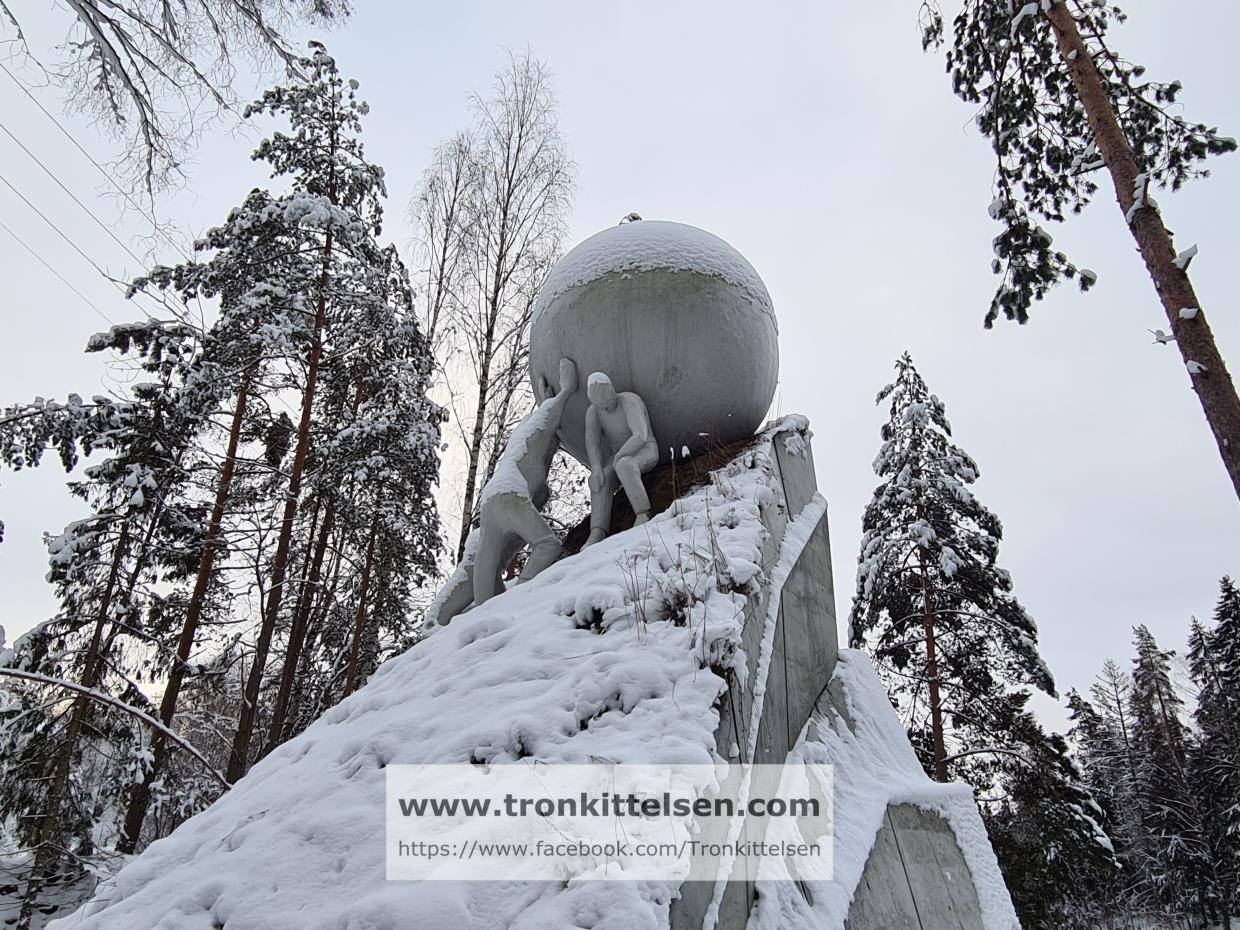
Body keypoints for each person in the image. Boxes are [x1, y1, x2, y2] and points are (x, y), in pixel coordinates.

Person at [426, 357, 578, 626]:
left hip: (491, 507)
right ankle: (522, 592)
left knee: (486, 599)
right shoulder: (526, 441)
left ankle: (457, 632)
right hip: (508, 495)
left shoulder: (525, 462)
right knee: (548, 544)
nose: (556, 447)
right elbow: (544, 421)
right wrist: (566, 392)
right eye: (556, 443)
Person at [584, 371, 658, 547]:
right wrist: (595, 468)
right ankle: (597, 531)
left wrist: (619, 456)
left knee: (624, 465)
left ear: (612, 392)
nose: (607, 410)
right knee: (601, 477)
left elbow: (640, 435)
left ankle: (642, 513)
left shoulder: (628, 401)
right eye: (603, 407)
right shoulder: (593, 412)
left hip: (644, 449)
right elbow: (592, 443)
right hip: (618, 455)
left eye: (609, 405)